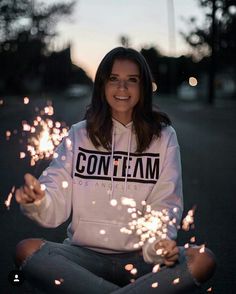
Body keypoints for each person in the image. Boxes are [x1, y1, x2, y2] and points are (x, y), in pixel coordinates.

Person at [15, 47, 216, 293]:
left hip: (142, 258)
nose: (122, 88)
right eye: (114, 79)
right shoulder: (79, 134)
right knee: (27, 250)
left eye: (132, 80)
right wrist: (39, 200)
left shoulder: (163, 136)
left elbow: (166, 202)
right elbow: (55, 197)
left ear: (142, 87)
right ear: (102, 85)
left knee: (203, 259)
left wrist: (157, 245)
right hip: (83, 257)